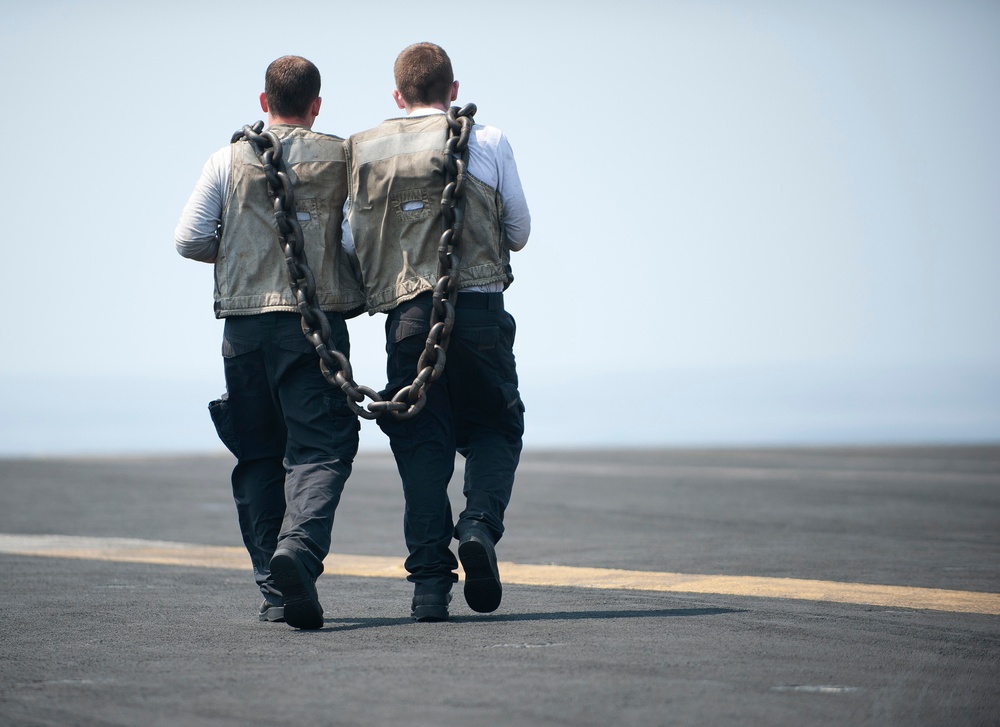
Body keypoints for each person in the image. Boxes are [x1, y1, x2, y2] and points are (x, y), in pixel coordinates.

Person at [175, 56, 364, 630]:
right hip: (314, 327)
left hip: (244, 330)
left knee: (259, 453)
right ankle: (298, 553)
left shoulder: (225, 159)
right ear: (316, 106)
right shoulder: (341, 157)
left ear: (263, 102)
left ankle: (274, 590)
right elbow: (357, 240)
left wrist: (238, 256)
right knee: (321, 446)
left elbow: (188, 240)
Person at [344, 42, 530, 622]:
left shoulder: (364, 150)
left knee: (422, 447)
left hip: (409, 319)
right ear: (453, 91)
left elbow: (350, 244)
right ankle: (478, 524)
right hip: (478, 314)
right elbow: (519, 232)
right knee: (496, 427)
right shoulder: (489, 140)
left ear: (397, 98)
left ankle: (429, 587)